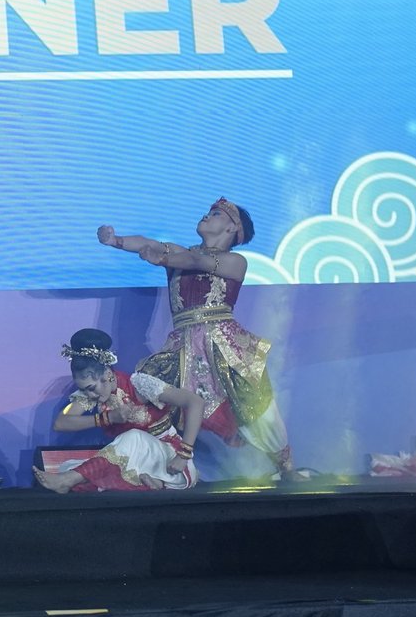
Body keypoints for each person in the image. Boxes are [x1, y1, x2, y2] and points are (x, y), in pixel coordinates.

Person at [98, 198, 296, 478]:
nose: (206, 215)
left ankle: (284, 466)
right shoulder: (181, 253)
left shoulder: (235, 261)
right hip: (182, 346)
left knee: (254, 407)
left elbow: (196, 261)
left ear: (231, 229)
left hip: (223, 345)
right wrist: (115, 241)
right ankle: (148, 468)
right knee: (150, 394)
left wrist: (162, 259)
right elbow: (148, 243)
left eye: (216, 214)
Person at [33, 327, 200, 493]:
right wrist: (107, 418)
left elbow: (196, 402)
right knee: (68, 466)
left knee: (133, 437)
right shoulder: (91, 394)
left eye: (91, 388)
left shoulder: (139, 385)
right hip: (133, 459)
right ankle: (153, 483)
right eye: (84, 390)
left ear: (107, 374)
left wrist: (183, 454)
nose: (89, 394)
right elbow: (61, 422)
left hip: (166, 457)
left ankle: (67, 480)